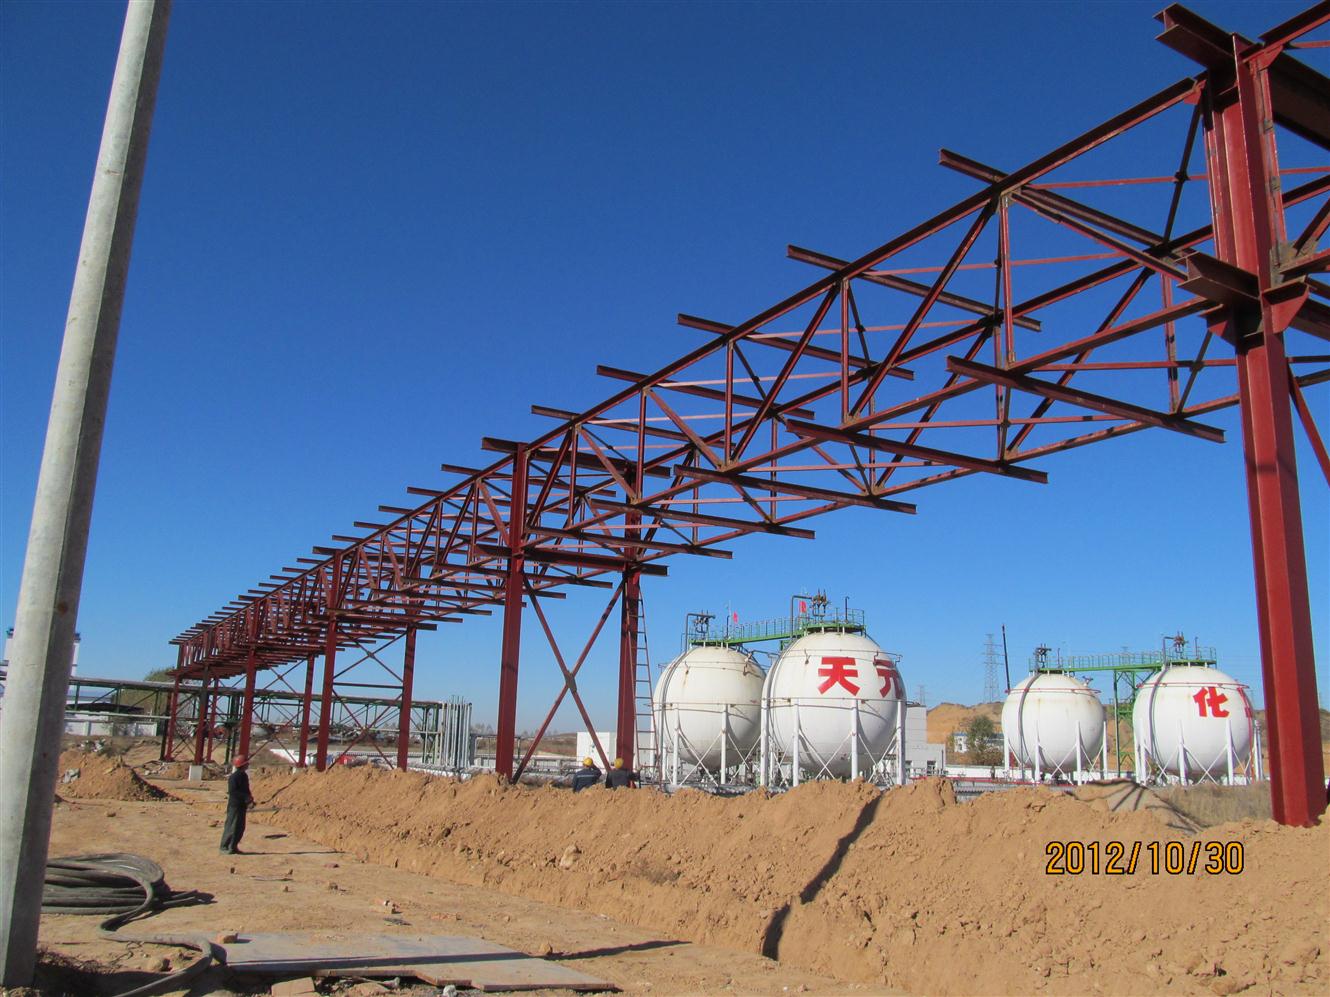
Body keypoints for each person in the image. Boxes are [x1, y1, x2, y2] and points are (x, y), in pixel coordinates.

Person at [219, 754, 255, 854]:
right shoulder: (234, 777)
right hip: (235, 805)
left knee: (239, 828)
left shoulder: (244, 776)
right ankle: (224, 847)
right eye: (246, 763)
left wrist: (249, 799)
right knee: (231, 827)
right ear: (242, 765)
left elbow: (246, 789)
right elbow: (233, 792)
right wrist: (246, 798)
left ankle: (233, 847)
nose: (248, 765)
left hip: (241, 805)